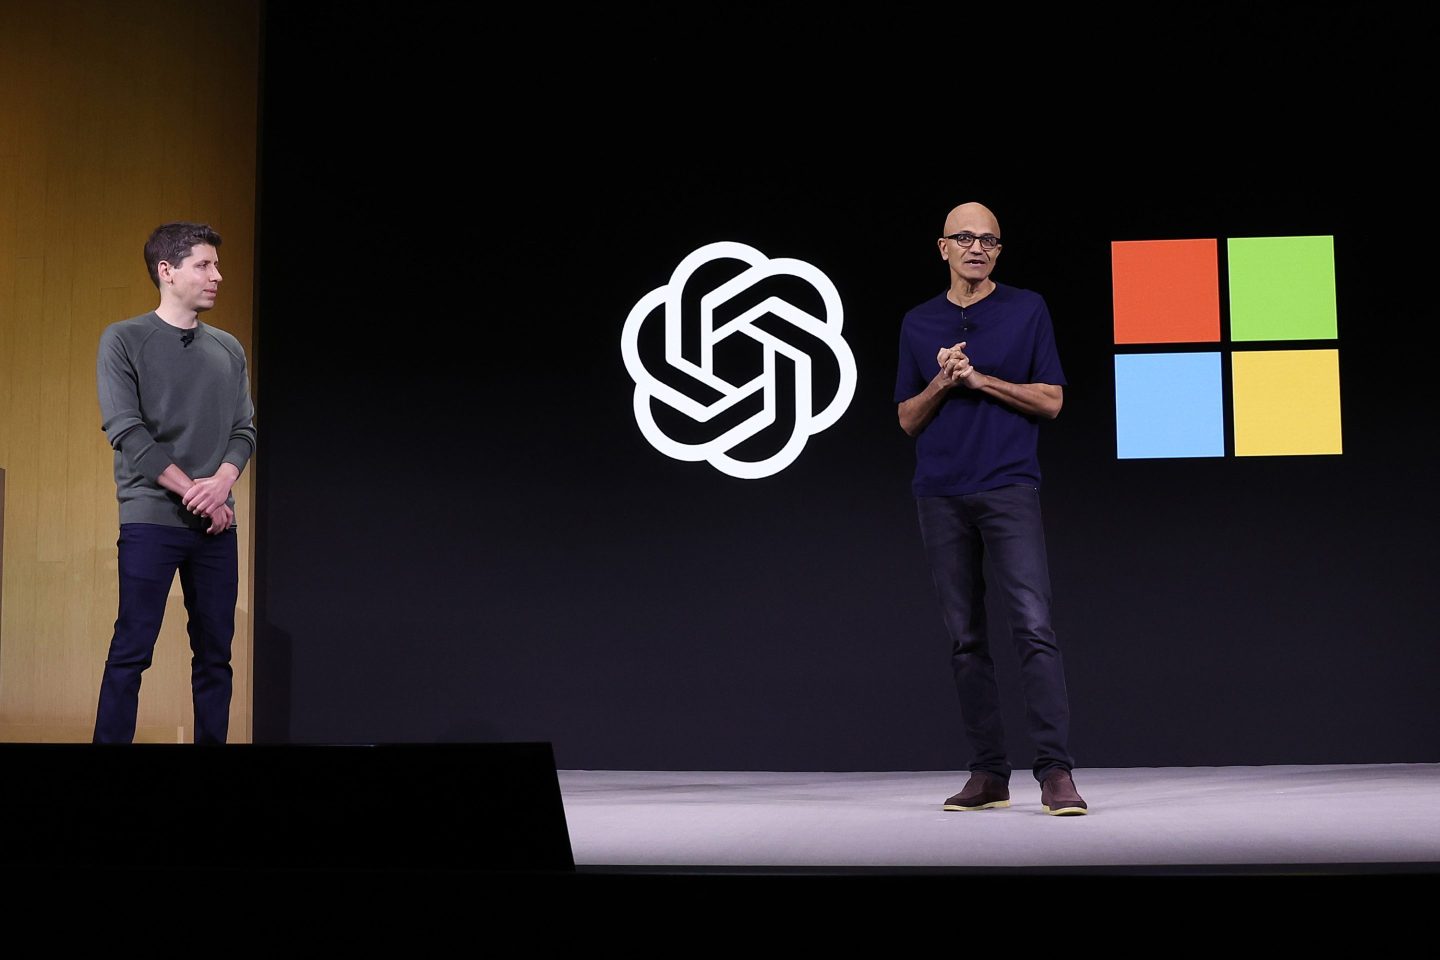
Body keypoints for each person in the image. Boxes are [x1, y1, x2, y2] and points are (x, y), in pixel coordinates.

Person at [894, 202, 1086, 815]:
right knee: (965, 638)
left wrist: (980, 381)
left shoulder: (1027, 309)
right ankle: (988, 774)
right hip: (941, 494)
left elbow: (1052, 401)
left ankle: (1055, 773)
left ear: (998, 251)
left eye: (989, 239)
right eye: (965, 238)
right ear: (942, 247)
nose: (977, 247)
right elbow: (906, 418)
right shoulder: (918, 323)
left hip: (1007, 487)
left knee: (1033, 627)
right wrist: (942, 383)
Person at [93, 222, 256, 744]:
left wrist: (223, 480)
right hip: (151, 520)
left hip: (215, 527)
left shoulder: (228, 348)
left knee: (215, 656)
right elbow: (127, 431)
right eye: (204, 265)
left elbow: (243, 429)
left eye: (216, 265)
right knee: (132, 650)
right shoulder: (124, 339)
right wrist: (198, 493)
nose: (217, 276)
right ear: (167, 271)